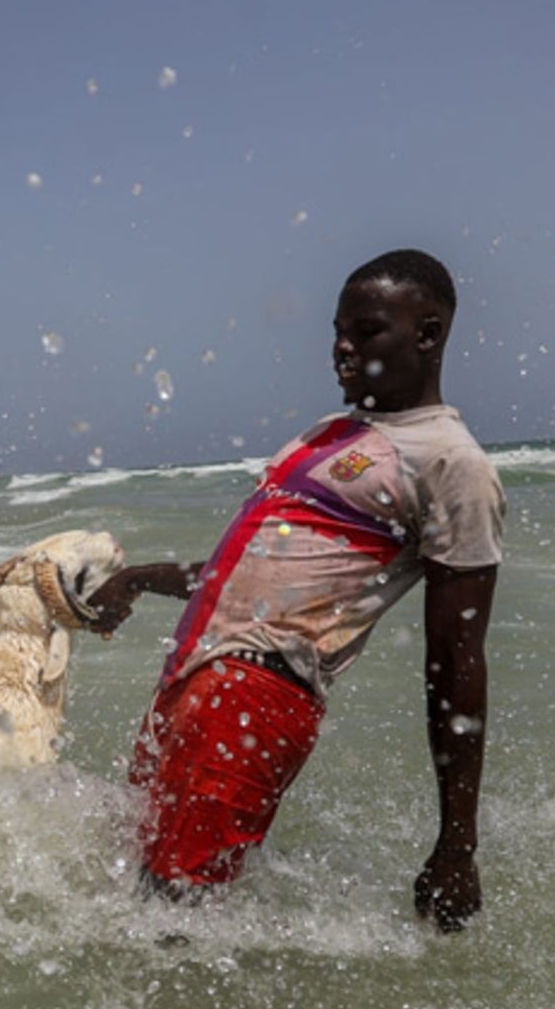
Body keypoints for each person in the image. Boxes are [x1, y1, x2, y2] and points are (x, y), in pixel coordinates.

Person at [87, 250, 503, 932]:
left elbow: (456, 659)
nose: (342, 348)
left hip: (256, 693)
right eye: (338, 331)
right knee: (133, 893)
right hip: (192, 679)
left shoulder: (451, 462)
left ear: (428, 334)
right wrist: (138, 579)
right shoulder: (331, 436)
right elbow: (252, 574)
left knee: (172, 918)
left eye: (366, 331)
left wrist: (457, 845)